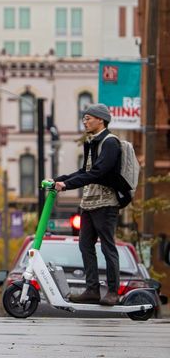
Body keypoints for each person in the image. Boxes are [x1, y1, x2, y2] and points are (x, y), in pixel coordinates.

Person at [50, 103, 124, 306]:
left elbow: (98, 172)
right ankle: (92, 290)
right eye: (84, 118)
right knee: (85, 245)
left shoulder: (110, 142)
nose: (85, 121)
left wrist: (66, 185)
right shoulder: (92, 141)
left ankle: (112, 292)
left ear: (101, 120)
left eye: (88, 118)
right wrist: (58, 179)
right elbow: (85, 170)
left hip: (106, 202)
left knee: (108, 247)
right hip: (89, 202)